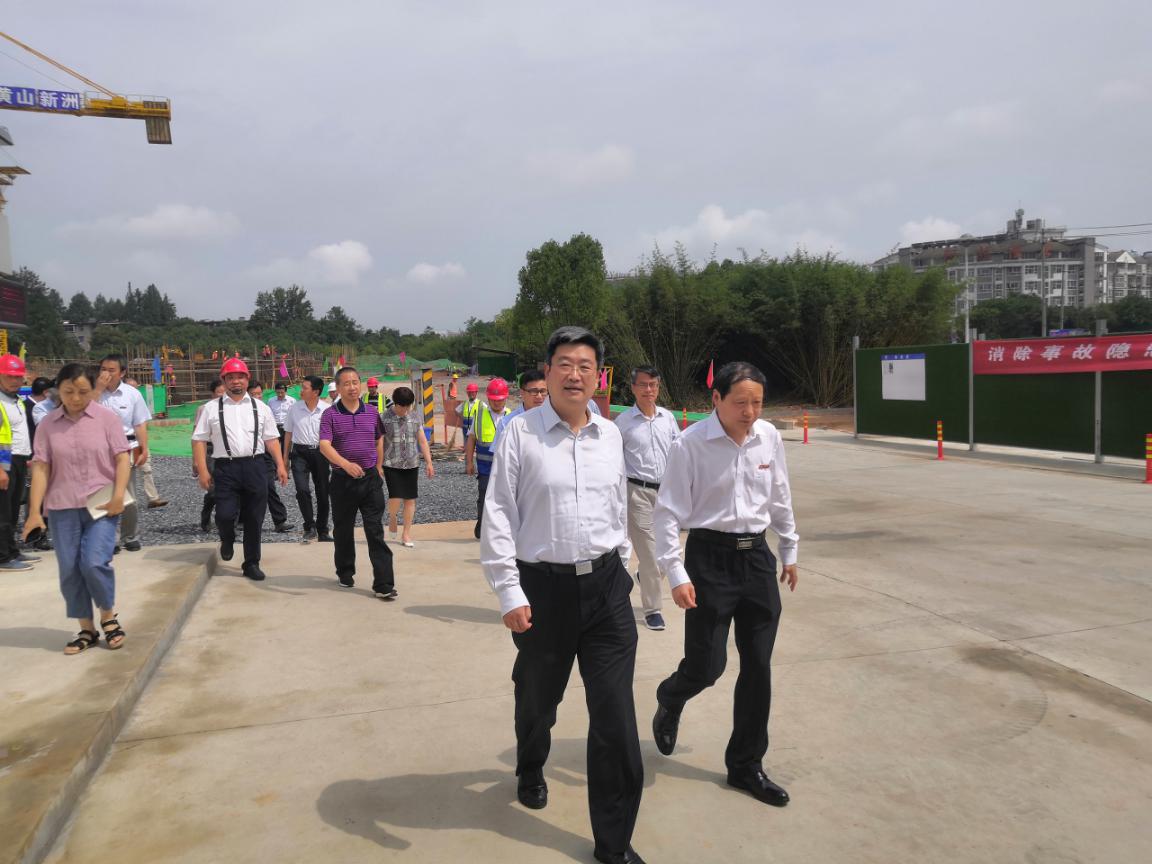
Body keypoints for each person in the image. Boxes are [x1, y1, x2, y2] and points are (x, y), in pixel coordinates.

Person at [481, 326, 644, 864]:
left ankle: (614, 845)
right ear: (548, 372)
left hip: (607, 590)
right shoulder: (520, 433)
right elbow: (498, 513)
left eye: (586, 366)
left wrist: (624, 565)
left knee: (616, 718)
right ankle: (530, 764)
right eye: (565, 364)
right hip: (543, 591)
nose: (576, 375)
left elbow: (617, 505)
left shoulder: (611, 435)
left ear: (599, 377)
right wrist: (509, 591)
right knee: (538, 701)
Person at [650, 361, 800, 808]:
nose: (749, 412)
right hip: (709, 560)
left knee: (758, 667)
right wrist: (676, 573)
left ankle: (746, 765)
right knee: (707, 666)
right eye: (740, 402)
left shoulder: (768, 437)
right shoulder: (689, 444)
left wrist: (789, 549)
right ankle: (671, 696)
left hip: (756, 559)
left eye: (757, 402)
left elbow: (779, 495)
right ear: (715, 399)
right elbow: (667, 514)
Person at [23, 363, 132, 653]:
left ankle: (108, 616)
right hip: (62, 506)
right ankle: (87, 629)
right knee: (70, 569)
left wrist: (119, 496)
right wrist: (34, 512)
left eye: (83, 391)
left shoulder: (106, 419)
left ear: (92, 389)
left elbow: (122, 458)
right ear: (58, 390)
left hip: (102, 504)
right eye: (68, 391)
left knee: (94, 562)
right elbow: (41, 468)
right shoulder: (47, 425)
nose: (75, 398)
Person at [192, 359, 287, 581]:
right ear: (224, 380)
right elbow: (199, 440)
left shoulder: (261, 408)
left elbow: (271, 439)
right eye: (231, 377)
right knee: (224, 515)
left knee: (255, 517)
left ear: (247, 379)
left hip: (255, 466)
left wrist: (281, 465)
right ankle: (227, 537)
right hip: (226, 468)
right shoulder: (211, 408)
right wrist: (203, 470)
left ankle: (251, 562)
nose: (236, 381)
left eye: (240, 377)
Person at [318, 366, 396, 599]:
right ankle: (345, 572)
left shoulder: (371, 412)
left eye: (355, 382)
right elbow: (324, 445)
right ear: (338, 387)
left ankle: (383, 584)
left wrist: (379, 467)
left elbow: (379, 440)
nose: (352, 387)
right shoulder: (330, 415)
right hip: (342, 481)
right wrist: (345, 464)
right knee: (343, 530)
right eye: (346, 383)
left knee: (375, 530)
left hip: (370, 480)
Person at [615, 366, 680, 632]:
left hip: (666, 494)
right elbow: (613, 461)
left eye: (653, 384)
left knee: (669, 552)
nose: (648, 390)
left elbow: (679, 452)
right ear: (633, 388)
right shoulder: (623, 423)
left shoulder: (668, 418)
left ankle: (644, 577)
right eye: (643, 385)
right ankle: (653, 609)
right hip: (637, 493)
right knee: (651, 555)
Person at [94, 354, 152, 551]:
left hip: (126, 448)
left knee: (129, 496)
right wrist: (98, 389)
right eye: (103, 369)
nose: (106, 374)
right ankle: (109, 538)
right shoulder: (93, 391)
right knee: (102, 494)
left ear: (122, 373)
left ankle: (130, 536)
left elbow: (139, 423)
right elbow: (83, 411)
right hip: (99, 449)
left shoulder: (132, 394)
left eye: (111, 370)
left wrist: (144, 448)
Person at [381, 386, 435, 548]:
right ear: (395, 403)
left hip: (411, 463)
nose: (405, 410)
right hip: (391, 463)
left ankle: (406, 533)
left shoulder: (415, 417)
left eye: (408, 406)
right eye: (402, 406)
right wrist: (378, 465)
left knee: (410, 499)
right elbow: (378, 443)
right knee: (396, 496)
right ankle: (392, 517)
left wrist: (429, 462)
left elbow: (422, 441)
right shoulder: (384, 418)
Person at [0, 354, 38, 571]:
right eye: (9, 376)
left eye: (18, 376)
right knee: (2, 510)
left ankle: (12, 550)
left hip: (19, 459)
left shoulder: (16, 401)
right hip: (5, 460)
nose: (15, 380)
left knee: (14, 508)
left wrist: (27, 457)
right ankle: (2, 557)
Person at [284, 375, 332, 544]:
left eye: (304, 388)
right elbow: (288, 434)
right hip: (299, 453)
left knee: (323, 492)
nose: (301, 391)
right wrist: (284, 460)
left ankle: (323, 530)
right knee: (302, 490)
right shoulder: (294, 408)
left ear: (316, 392)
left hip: (321, 453)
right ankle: (309, 527)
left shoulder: (327, 410)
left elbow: (334, 435)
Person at [464, 378, 510, 539]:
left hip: (507, 469)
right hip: (485, 469)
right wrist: (469, 462)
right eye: (493, 399)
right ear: (488, 398)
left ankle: (502, 529)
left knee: (506, 500)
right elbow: (471, 439)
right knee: (484, 498)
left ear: (506, 398)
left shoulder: (513, 416)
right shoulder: (479, 415)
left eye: (500, 400)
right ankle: (482, 525)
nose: (496, 403)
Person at [247, 382, 294, 533]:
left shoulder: (265, 409)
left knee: (269, 487)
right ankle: (240, 521)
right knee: (244, 490)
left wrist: (280, 464)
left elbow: (272, 438)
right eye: (253, 394)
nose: (257, 396)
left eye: (259, 393)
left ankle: (279, 521)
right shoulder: (240, 411)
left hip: (265, 455)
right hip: (246, 456)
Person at [123, 376, 168, 509]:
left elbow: (144, 423)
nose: (134, 390)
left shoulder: (138, 401)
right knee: (126, 474)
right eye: (131, 388)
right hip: (124, 442)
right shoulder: (118, 402)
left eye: (136, 388)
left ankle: (153, 498)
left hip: (139, 441)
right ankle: (126, 501)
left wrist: (144, 444)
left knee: (147, 469)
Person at [490, 370, 548, 457]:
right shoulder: (507, 423)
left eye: (543, 391)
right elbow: (499, 457)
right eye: (534, 391)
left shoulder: (554, 420)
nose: (539, 396)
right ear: (522, 393)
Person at [193, 378, 226, 532]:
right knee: (213, 489)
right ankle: (206, 517)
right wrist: (195, 460)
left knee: (229, 487)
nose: (223, 395)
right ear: (212, 394)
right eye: (219, 392)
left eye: (225, 392)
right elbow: (197, 437)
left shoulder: (232, 408)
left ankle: (227, 521)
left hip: (228, 451)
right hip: (210, 450)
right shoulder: (204, 409)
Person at [456, 381, 481, 445]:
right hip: (465, 430)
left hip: (476, 431)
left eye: (472, 392)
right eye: (469, 392)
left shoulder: (481, 404)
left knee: (476, 446)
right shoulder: (464, 403)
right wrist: (462, 418)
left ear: (476, 392)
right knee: (466, 446)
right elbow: (456, 411)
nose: (470, 394)